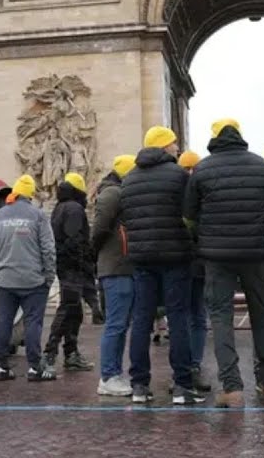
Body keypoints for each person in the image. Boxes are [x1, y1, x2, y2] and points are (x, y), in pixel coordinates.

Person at [184, 118, 264, 409]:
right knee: (263, 315)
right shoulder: (261, 166)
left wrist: (203, 237)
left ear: (214, 138)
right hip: (256, 254)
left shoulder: (202, 169)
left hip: (217, 256)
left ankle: (232, 387)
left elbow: (189, 216)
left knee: (220, 317)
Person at [119, 126, 204, 405]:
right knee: (178, 318)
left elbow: (127, 219)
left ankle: (139, 386)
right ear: (164, 147)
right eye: (174, 143)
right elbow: (191, 214)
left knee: (142, 320)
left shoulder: (128, 180)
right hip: (176, 256)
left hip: (142, 258)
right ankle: (181, 385)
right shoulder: (179, 175)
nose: (178, 148)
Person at [0, 174, 58, 382]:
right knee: (33, 323)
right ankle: (35, 368)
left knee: (3, 322)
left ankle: (1, 366)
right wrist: (49, 276)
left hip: (5, 280)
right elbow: (48, 249)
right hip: (34, 280)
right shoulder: (38, 215)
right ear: (30, 195)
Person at [91, 155, 136, 397]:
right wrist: (96, 254)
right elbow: (98, 229)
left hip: (121, 265)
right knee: (116, 324)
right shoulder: (112, 194)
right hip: (115, 266)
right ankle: (108, 375)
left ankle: (114, 373)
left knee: (120, 324)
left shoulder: (114, 193)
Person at [45, 172, 95, 372]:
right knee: (67, 309)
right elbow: (74, 239)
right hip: (73, 267)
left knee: (74, 311)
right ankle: (50, 353)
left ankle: (71, 353)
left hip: (64, 265)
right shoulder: (74, 209)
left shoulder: (59, 207)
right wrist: (84, 263)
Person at [176, 149, 212, 393]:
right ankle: (191, 365)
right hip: (196, 261)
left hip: (183, 262)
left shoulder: (174, 191)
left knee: (187, 316)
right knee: (195, 316)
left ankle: (186, 366)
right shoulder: (204, 190)